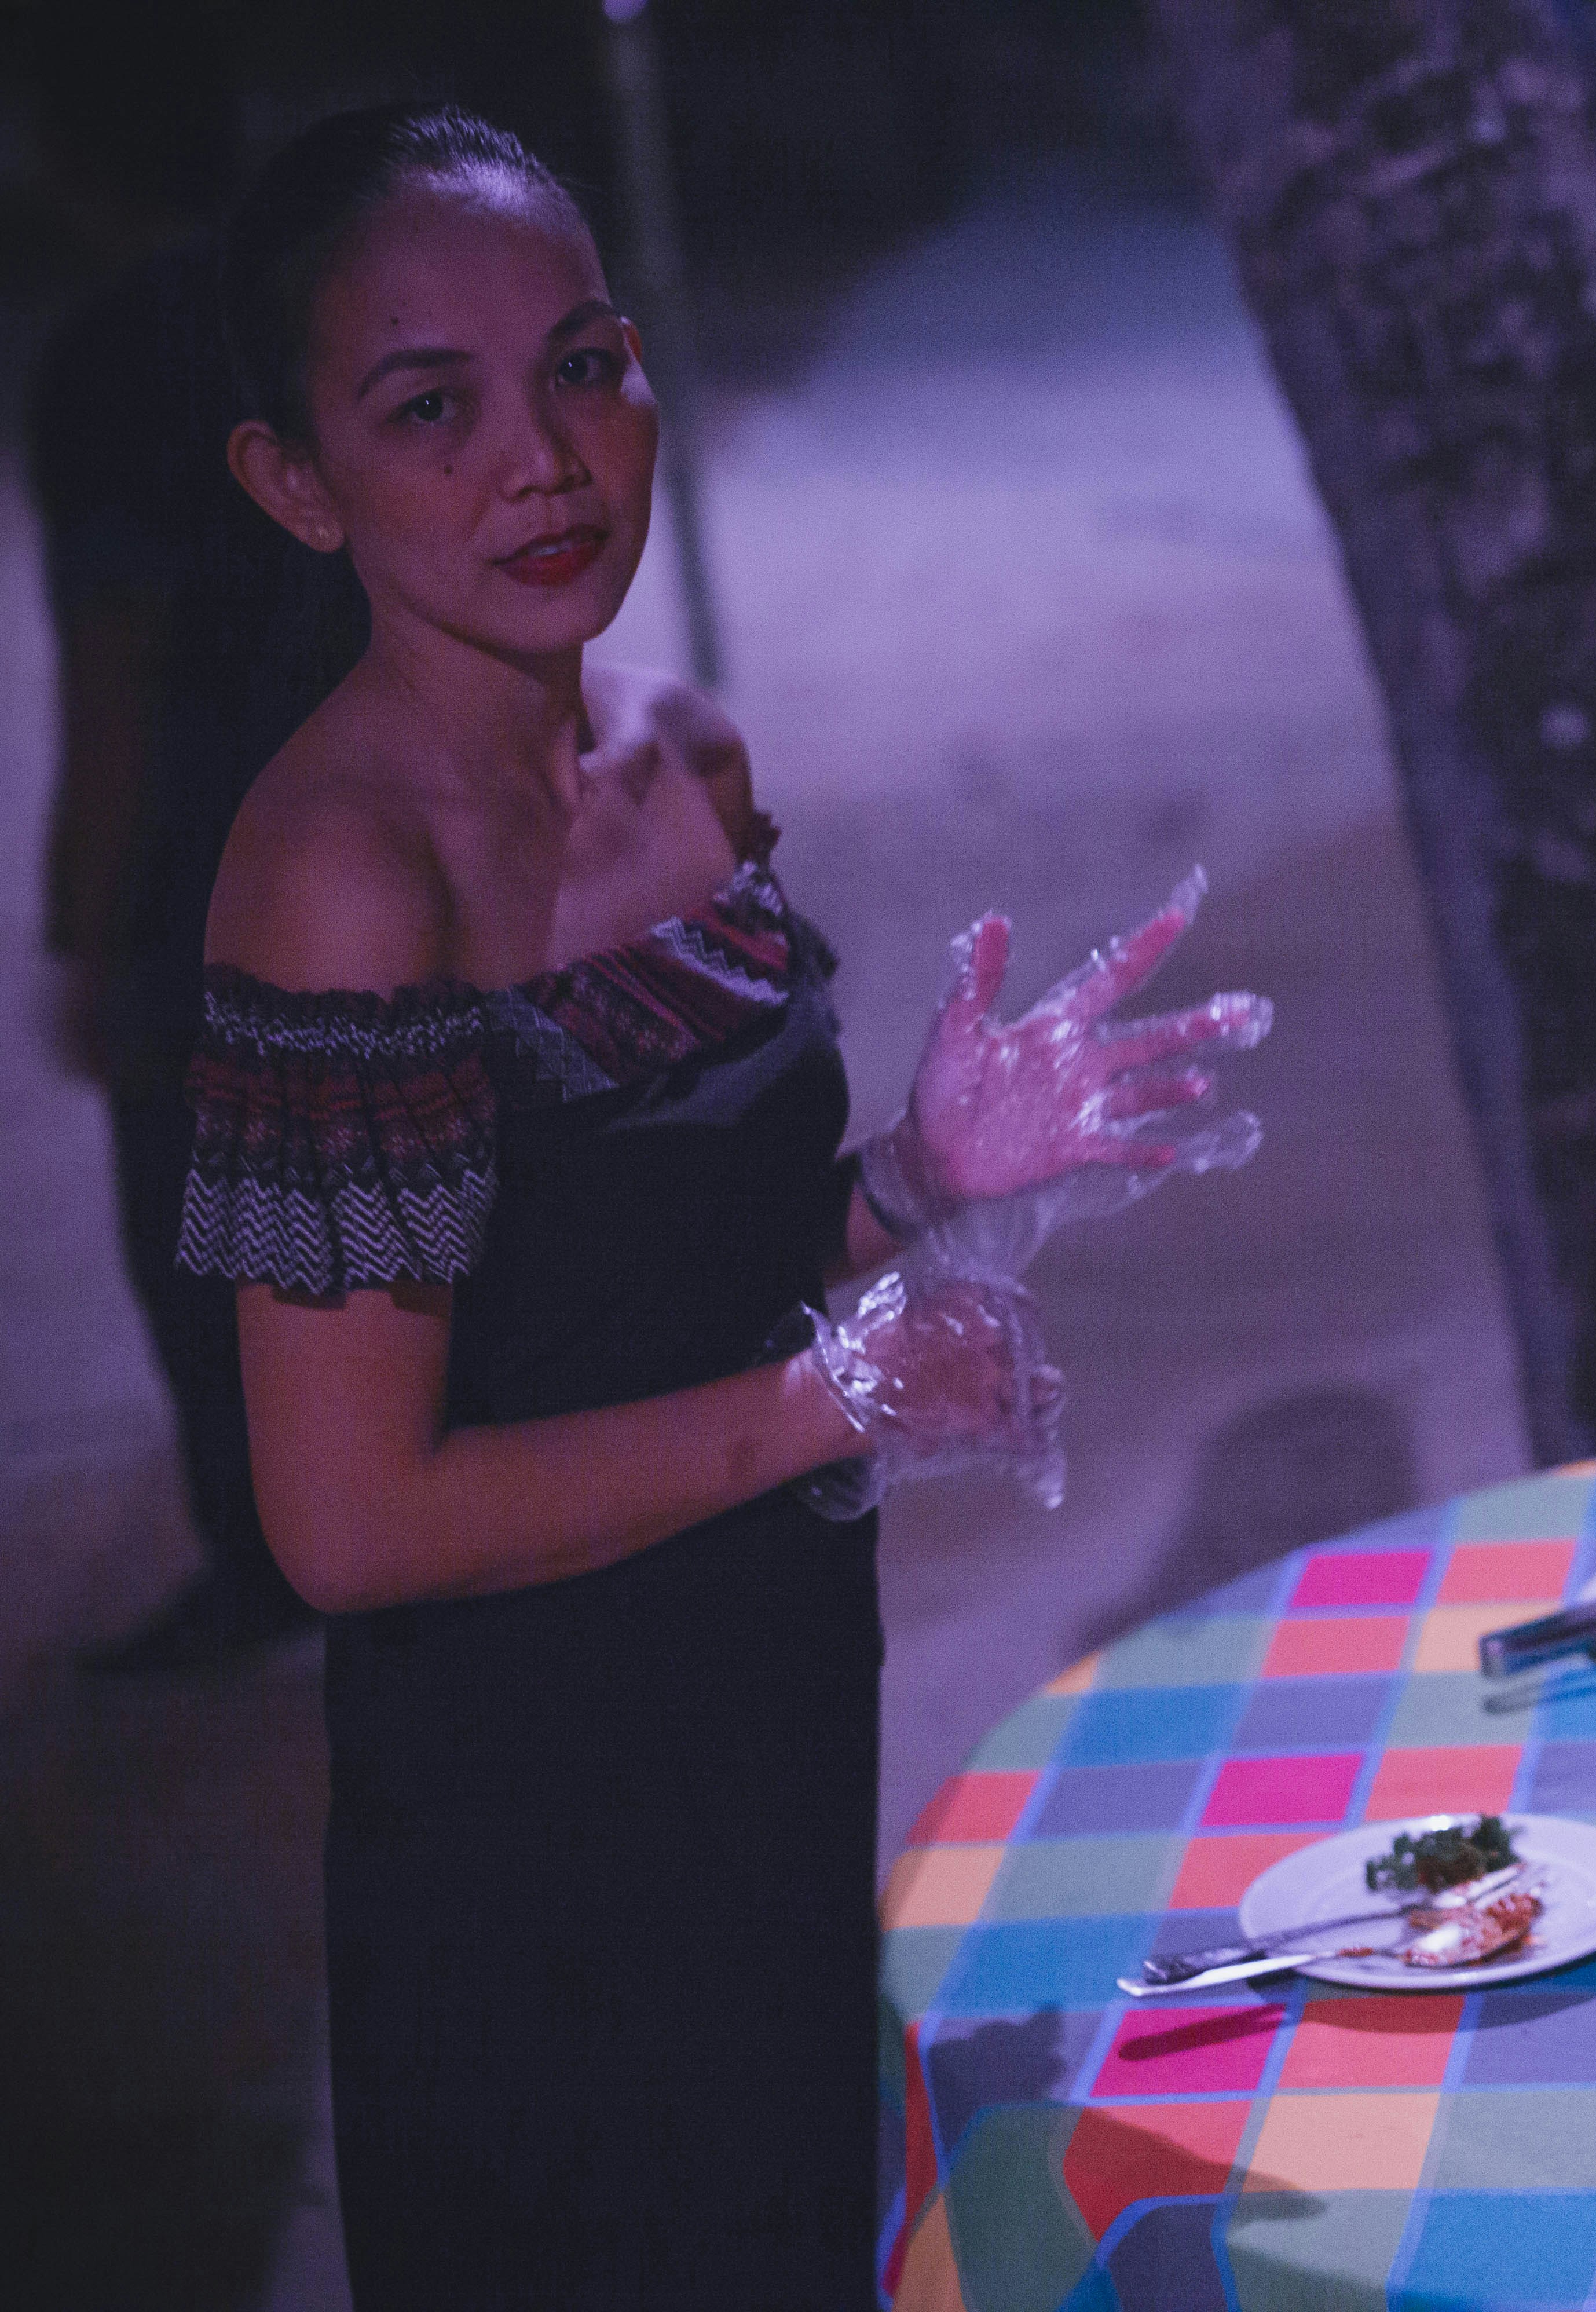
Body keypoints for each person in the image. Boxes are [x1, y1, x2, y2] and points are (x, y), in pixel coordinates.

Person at [189, 105, 1266, 2303]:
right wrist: (828, 1402)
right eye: (432, 409)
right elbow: (351, 1523)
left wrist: (922, 1180)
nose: (544, 460)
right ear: (295, 483)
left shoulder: (686, 758)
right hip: (528, 1827)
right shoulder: (339, 877)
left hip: (770, 1712)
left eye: (585, 366)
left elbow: (663, 1289)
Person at [28, 29, 356, 1670]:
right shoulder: (317, 302)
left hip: (203, 867)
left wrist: (81, 924)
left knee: (200, 1237)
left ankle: (274, 1558)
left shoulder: (107, 359)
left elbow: (119, 664)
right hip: (374, 812)